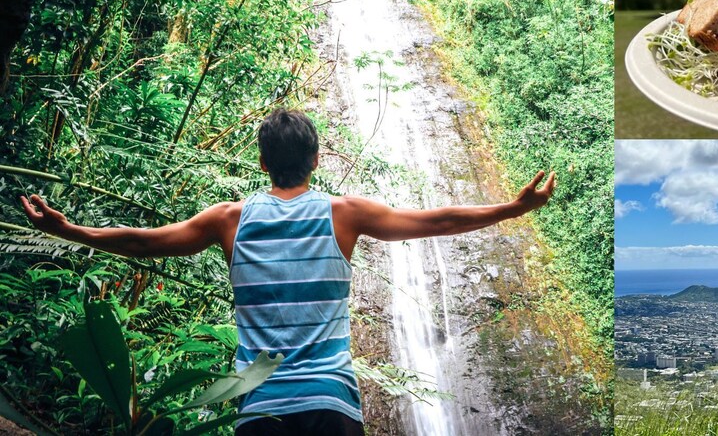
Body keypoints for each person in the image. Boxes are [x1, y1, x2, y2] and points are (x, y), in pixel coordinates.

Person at [19, 108, 556, 435]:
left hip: (260, 408)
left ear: (261, 163)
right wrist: (512, 208)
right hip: (330, 401)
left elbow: (149, 243)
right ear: (316, 160)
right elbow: (431, 221)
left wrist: (73, 232)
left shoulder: (230, 220)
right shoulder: (344, 214)